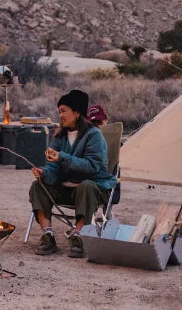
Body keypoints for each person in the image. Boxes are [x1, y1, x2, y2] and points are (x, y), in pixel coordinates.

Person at [28, 89, 116, 258]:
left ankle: (78, 235)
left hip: (93, 189)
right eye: (59, 111)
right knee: (37, 185)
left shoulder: (93, 135)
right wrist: (44, 172)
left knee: (86, 186)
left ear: (76, 113)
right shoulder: (59, 137)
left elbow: (92, 166)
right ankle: (47, 235)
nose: (60, 115)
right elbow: (53, 169)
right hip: (66, 188)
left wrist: (62, 157)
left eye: (64, 111)